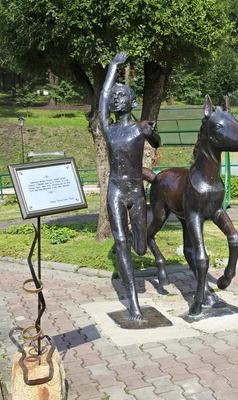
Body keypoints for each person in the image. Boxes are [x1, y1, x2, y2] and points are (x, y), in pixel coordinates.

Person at [100, 51, 161, 321]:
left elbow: (157, 142)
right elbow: (102, 95)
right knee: (122, 243)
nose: (114, 98)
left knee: (140, 247)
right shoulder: (108, 128)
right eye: (114, 96)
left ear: (132, 101)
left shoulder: (139, 129)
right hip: (115, 190)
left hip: (136, 192)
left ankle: (146, 247)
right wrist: (113, 67)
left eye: (120, 94)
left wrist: (153, 132)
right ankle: (133, 304)